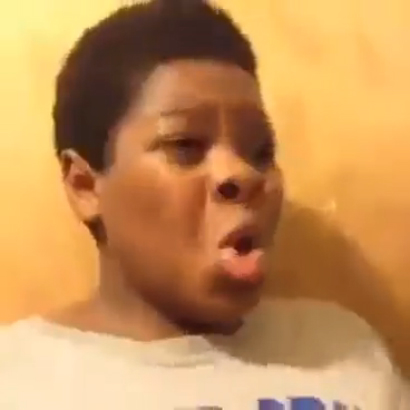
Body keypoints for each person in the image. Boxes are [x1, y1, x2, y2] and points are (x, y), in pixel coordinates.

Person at [0, 0, 408, 408]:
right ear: (85, 187)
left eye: (261, 152)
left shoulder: (340, 347)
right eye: (185, 145)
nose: (242, 173)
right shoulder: (19, 378)